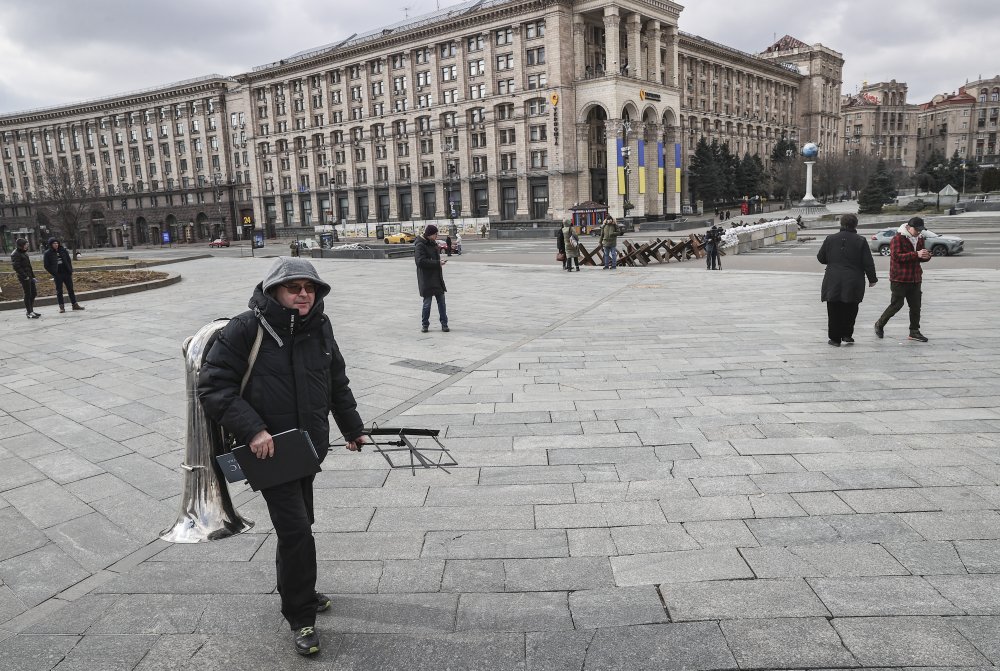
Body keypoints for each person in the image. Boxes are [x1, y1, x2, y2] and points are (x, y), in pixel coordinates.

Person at [197, 256, 366, 657]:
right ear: (274, 291)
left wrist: (352, 427)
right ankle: (300, 615)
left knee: (300, 523)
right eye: (294, 288)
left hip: (307, 448)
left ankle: (297, 588)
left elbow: (336, 380)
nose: (303, 294)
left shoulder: (320, 325)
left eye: (310, 288)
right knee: (296, 531)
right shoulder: (246, 328)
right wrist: (253, 429)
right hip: (268, 451)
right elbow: (214, 386)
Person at [817, 214, 877, 346]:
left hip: (833, 279)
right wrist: (872, 279)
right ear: (855, 225)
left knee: (833, 309)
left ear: (841, 224)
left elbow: (821, 258)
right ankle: (847, 335)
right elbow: (868, 262)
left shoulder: (830, 239)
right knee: (851, 307)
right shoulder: (860, 240)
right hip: (853, 279)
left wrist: (833, 261)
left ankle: (835, 339)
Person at [874, 216, 931, 342]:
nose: (919, 232)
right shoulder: (898, 238)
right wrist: (916, 254)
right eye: (916, 230)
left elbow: (919, 258)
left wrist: (926, 256)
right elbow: (896, 257)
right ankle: (879, 324)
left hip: (915, 278)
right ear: (909, 227)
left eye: (920, 230)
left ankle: (914, 331)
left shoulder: (920, 238)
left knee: (916, 306)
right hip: (899, 279)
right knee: (897, 305)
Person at [415, 224, 449, 332]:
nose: (436, 236)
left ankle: (444, 324)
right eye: (435, 234)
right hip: (426, 279)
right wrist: (437, 263)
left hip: (437, 278)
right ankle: (425, 325)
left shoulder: (433, 243)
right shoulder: (420, 245)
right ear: (429, 234)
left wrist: (439, 262)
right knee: (427, 303)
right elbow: (420, 262)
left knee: (442, 302)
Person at [43, 237, 85, 313]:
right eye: (54, 243)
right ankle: (61, 307)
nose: (56, 244)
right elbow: (46, 265)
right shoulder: (48, 253)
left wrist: (70, 270)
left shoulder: (63, 250)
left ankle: (74, 304)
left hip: (66, 273)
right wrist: (53, 273)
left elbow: (68, 260)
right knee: (59, 291)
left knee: (70, 289)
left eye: (57, 243)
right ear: (51, 244)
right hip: (57, 274)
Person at [11, 238, 41, 319]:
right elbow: (16, 267)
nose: (27, 245)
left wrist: (33, 276)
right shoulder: (15, 254)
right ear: (21, 245)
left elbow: (29, 266)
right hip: (24, 277)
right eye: (25, 244)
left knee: (34, 293)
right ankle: (29, 312)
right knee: (28, 294)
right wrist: (25, 276)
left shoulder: (24, 253)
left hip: (29, 276)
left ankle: (31, 310)